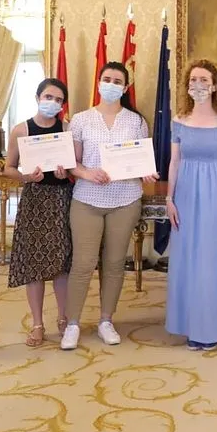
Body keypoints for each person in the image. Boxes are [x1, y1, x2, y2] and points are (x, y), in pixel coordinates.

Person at [60, 62, 159, 350]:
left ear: (125, 87)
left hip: (126, 199)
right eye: (107, 79)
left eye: (118, 81)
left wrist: (147, 172)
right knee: (82, 263)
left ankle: (106, 320)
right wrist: (87, 172)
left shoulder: (136, 121)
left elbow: (141, 160)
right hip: (87, 199)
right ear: (99, 82)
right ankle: (73, 323)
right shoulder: (81, 119)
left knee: (115, 264)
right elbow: (71, 163)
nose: (112, 84)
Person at [165, 59, 217, 351]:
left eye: (204, 80)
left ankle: (211, 328)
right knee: (188, 262)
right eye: (193, 80)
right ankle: (189, 326)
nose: (198, 85)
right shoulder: (179, 121)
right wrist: (169, 200)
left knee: (211, 263)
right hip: (185, 194)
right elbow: (175, 161)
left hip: (215, 195)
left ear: (215, 85)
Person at [4, 78, 72, 347]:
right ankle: (37, 323)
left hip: (61, 200)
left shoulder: (67, 128)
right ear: (37, 97)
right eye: (48, 97)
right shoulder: (21, 130)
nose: (52, 103)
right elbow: (8, 168)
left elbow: (74, 165)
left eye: (58, 100)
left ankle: (64, 319)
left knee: (61, 265)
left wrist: (65, 172)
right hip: (34, 200)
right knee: (34, 265)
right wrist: (25, 177)